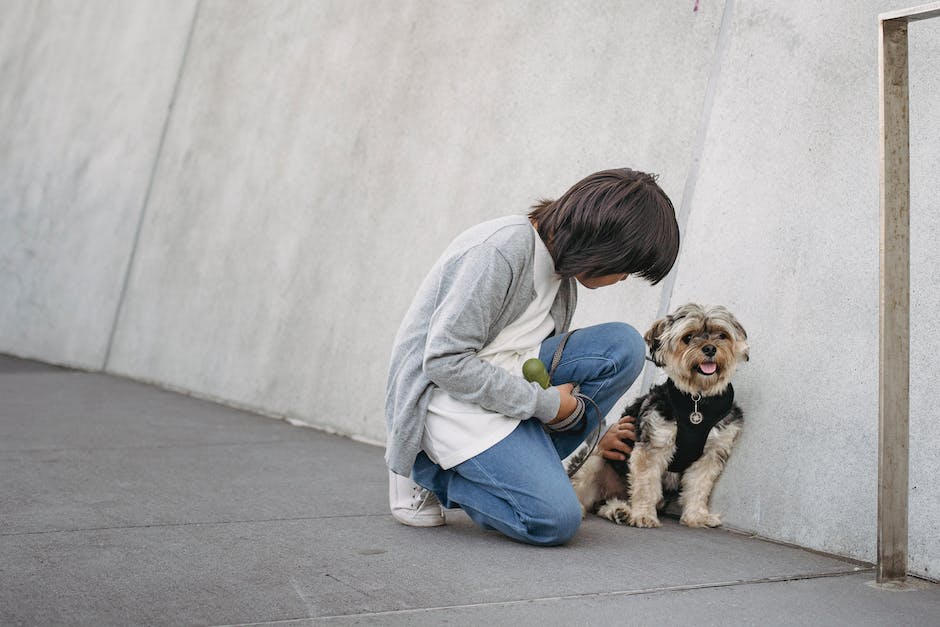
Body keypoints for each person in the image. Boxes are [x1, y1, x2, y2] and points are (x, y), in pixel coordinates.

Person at [384, 168, 679, 546]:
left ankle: (524, 472)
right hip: (445, 401)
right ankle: (427, 470)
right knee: (553, 522)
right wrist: (546, 404)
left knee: (624, 346)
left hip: (505, 392)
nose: (622, 278)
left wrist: (575, 423)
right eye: (625, 266)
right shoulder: (500, 251)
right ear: (602, 242)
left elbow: (530, 363)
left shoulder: (563, 277)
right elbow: (444, 362)